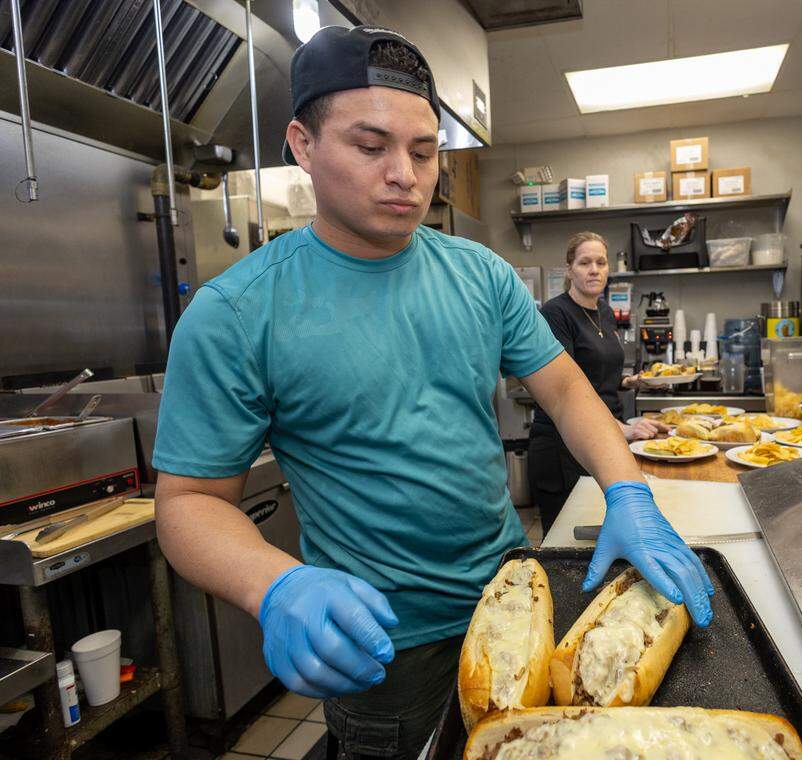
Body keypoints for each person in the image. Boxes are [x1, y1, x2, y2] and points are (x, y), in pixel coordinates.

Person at [151, 26, 713, 760]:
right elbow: (189, 502)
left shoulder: (479, 275)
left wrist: (627, 492)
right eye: (370, 146)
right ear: (302, 144)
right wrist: (274, 585)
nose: (405, 176)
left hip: (515, 597)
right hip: (386, 649)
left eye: (423, 151)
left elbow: (568, 392)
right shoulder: (236, 313)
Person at [528, 232, 668, 535]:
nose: (594, 269)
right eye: (584, 262)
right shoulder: (556, 314)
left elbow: (595, 373)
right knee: (567, 540)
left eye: (601, 262)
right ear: (569, 270)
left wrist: (629, 381)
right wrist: (624, 429)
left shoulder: (604, 311)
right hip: (562, 448)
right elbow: (563, 389)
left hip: (604, 437)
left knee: (607, 532)